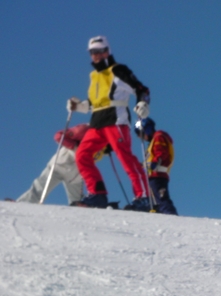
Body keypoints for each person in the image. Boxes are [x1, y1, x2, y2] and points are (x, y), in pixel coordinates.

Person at [67, 35, 151, 210]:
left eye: (100, 51)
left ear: (107, 51)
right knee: (82, 155)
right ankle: (97, 194)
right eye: (93, 52)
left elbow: (140, 89)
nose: (96, 55)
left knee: (124, 157)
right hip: (97, 123)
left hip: (116, 120)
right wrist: (78, 106)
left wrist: (142, 103)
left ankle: (143, 196)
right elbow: (94, 102)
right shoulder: (94, 76)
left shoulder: (118, 70)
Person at [16, 124, 90, 204]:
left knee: (77, 203)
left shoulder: (100, 140)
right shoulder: (84, 129)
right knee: (39, 191)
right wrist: (74, 146)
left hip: (76, 176)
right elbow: (59, 136)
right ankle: (20, 205)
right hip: (59, 166)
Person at [133, 117, 178, 215]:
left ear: (147, 130)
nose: (141, 137)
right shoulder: (151, 143)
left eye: (141, 134)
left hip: (158, 175)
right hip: (152, 176)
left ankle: (171, 216)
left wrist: (156, 162)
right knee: (154, 202)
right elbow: (149, 160)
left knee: (162, 199)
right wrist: (141, 166)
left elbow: (161, 152)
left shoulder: (159, 137)